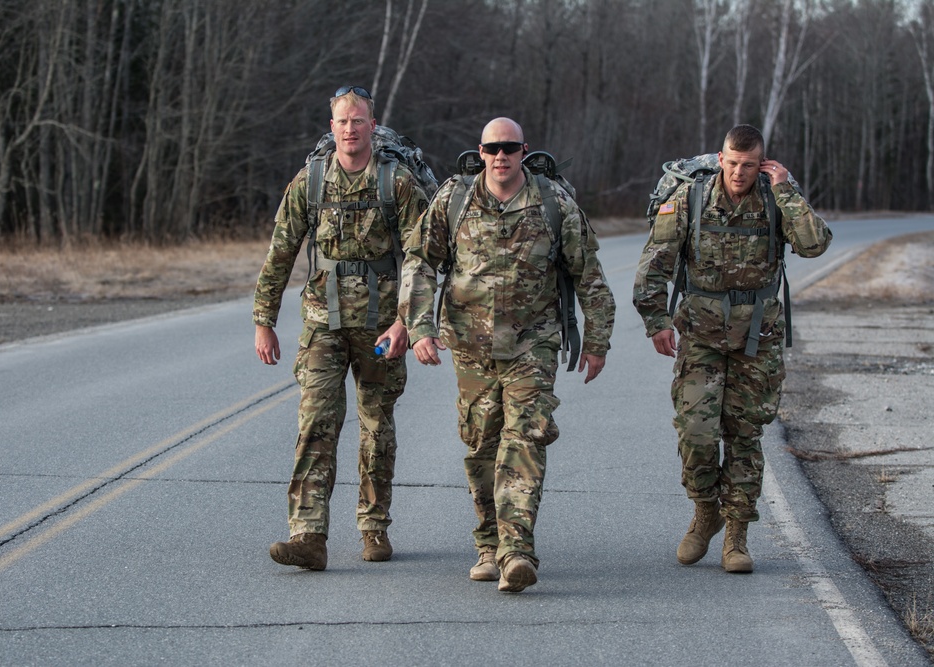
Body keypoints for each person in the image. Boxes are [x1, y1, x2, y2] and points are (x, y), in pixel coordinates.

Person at [399, 117, 616, 593]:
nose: (501, 156)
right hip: (471, 348)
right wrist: (418, 327)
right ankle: (488, 544)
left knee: (527, 436)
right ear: (480, 151)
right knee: (482, 444)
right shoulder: (454, 200)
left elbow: (589, 276)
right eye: (493, 148)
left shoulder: (554, 203)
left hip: (532, 343)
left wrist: (597, 341)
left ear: (524, 150)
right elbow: (419, 263)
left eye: (510, 148)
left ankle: (517, 550)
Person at [633, 124, 832, 573]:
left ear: (762, 163)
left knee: (744, 438)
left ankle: (737, 537)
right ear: (720, 159)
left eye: (749, 164)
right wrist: (656, 322)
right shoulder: (691, 199)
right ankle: (706, 512)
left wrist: (786, 192)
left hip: (756, 339)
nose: (739, 172)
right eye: (732, 163)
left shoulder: (776, 199)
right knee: (696, 434)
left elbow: (815, 244)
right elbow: (654, 264)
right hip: (701, 336)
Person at [253, 86, 428, 571]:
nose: (350, 128)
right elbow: (280, 254)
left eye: (358, 120)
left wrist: (406, 323)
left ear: (373, 126)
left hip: (380, 328)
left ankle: (374, 526)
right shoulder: (310, 182)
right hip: (322, 324)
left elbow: (424, 258)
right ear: (331, 128)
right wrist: (264, 321)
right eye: (342, 121)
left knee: (376, 427)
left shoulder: (399, 184)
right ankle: (308, 535)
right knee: (316, 424)